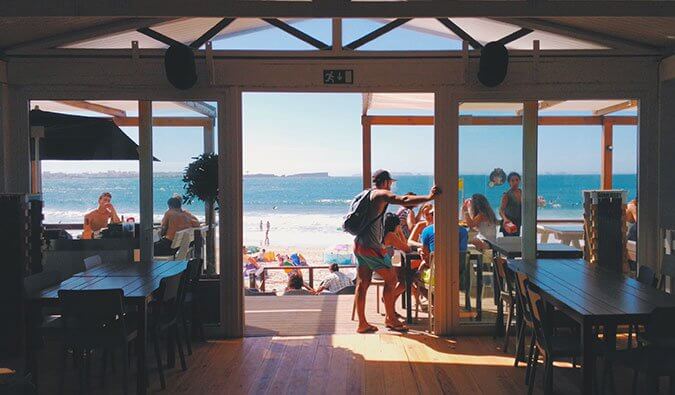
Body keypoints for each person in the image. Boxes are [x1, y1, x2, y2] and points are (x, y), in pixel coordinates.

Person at [353, 169, 440, 333]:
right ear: (386, 182)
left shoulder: (364, 195)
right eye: (390, 184)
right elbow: (404, 199)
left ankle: (362, 323)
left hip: (359, 245)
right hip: (372, 247)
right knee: (392, 279)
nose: (391, 188)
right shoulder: (380, 195)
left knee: (362, 284)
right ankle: (391, 319)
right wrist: (429, 197)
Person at [417, 222, 469, 299]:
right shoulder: (463, 231)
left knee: (416, 277)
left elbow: (427, 259)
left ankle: (436, 305)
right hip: (457, 275)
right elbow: (462, 254)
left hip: (435, 275)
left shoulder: (427, 230)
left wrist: (422, 255)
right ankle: (444, 302)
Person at [499, 172, 522, 237]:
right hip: (509, 223)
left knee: (517, 243)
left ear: (520, 181)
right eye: (512, 180)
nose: (515, 182)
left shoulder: (522, 193)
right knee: (509, 244)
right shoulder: (507, 194)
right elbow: (501, 210)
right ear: (509, 182)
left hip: (518, 222)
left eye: (517, 180)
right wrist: (505, 219)